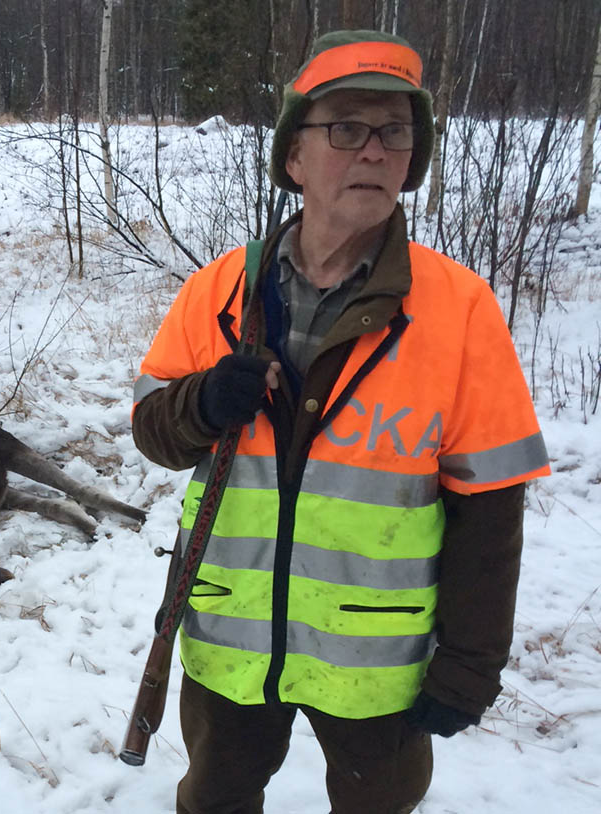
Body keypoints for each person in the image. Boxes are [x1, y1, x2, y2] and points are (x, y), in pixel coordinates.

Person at [131, 29, 551, 814]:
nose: (373, 151)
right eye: (347, 128)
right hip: (229, 639)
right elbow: (154, 433)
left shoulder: (458, 308)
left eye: (394, 133)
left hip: (377, 659)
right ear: (294, 156)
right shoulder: (219, 290)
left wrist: (469, 664)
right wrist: (202, 404)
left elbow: (491, 505)